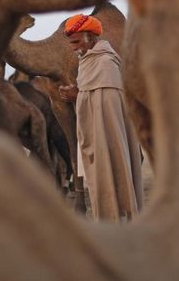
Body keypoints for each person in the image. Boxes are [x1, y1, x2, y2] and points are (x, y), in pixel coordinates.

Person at [59, 14, 143, 221]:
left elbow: (107, 106)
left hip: (107, 134)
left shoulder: (106, 63)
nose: (73, 47)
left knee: (114, 175)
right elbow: (93, 95)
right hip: (96, 133)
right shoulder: (87, 62)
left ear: (90, 37)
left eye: (76, 41)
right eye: (71, 42)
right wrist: (79, 92)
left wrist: (77, 96)